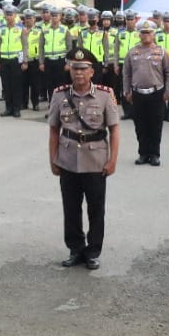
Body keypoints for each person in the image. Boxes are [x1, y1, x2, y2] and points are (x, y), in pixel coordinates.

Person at [48, 48, 120, 270]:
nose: (78, 73)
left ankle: (93, 251)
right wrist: (53, 158)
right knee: (71, 208)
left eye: (83, 69)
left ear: (91, 72)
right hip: (68, 159)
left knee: (96, 208)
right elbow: (53, 129)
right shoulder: (60, 95)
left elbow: (114, 130)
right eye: (74, 68)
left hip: (96, 159)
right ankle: (75, 249)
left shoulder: (105, 95)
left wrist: (112, 160)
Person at [122, 19, 169, 165]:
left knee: (155, 125)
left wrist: (168, 91)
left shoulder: (162, 52)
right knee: (140, 125)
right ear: (139, 35)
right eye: (143, 33)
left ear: (154, 34)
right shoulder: (132, 53)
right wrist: (127, 91)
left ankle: (155, 154)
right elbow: (126, 74)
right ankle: (143, 153)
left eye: (148, 33)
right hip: (137, 94)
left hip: (157, 93)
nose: (145, 36)